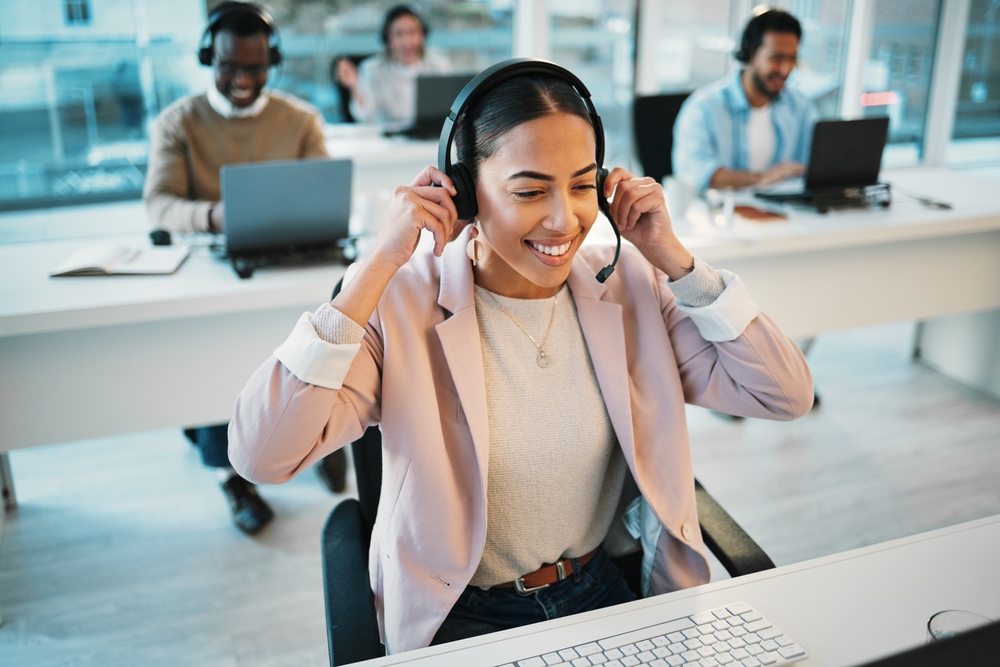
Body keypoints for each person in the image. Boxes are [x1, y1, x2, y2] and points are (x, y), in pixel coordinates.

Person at [230, 60, 813, 653]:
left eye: (583, 185)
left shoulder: (629, 284)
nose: (566, 219)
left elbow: (785, 394)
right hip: (461, 616)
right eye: (530, 190)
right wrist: (376, 266)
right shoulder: (401, 303)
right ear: (463, 192)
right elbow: (261, 455)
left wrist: (679, 263)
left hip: (598, 593)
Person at [142, 1, 348, 535]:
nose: (242, 79)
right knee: (218, 354)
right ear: (209, 57)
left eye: (256, 68)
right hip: (217, 268)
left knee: (322, 335)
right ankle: (234, 477)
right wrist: (213, 214)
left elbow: (323, 190)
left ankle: (321, 436)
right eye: (230, 66)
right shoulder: (177, 123)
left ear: (271, 63)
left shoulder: (300, 119)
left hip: (291, 264)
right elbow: (159, 204)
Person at [673, 9, 818, 191]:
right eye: (776, 58)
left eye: (792, 59)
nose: (785, 69)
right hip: (723, 212)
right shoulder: (704, 107)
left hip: (785, 213)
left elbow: (817, 163)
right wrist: (762, 178)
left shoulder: (801, 107)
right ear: (750, 52)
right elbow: (693, 171)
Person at [334, 4, 451, 130]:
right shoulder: (372, 69)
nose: (407, 41)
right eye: (398, 34)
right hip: (389, 143)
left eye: (412, 32)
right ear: (387, 39)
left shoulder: (439, 67)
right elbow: (365, 117)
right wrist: (355, 86)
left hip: (428, 140)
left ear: (422, 35)